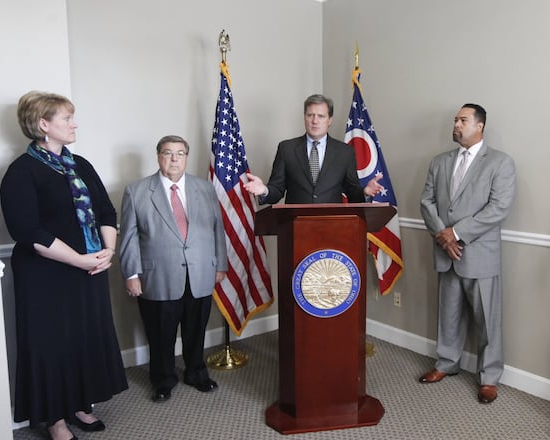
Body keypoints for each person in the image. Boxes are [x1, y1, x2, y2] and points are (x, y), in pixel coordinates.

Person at [0, 91, 128, 440]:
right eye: (67, 118)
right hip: (46, 276)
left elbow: (105, 211)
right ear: (43, 125)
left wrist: (108, 252)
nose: (74, 124)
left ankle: (80, 404)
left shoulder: (81, 165)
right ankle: (55, 419)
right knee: (52, 344)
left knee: (84, 339)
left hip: (89, 269)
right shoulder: (21, 171)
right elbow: (28, 231)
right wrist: (79, 258)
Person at [419, 103, 517, 404]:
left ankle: (489, 377)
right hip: (446, 251)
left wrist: (457, 233)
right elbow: (427, 201)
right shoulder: (439, 161)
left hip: (479, 253)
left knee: (487, 320)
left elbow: (498, 208)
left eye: (463, 120)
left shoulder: (500, 162)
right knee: (448, 314)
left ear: (480, 126)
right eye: (455, 120)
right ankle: (446, 363)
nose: (456, 124)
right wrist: (443, 235)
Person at [119, 135, 228, 403]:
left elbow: (217, 229)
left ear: (186, 158)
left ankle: (196, 373)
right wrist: (131, 274)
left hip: (200, 273)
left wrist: (220, 264)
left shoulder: (205, 188)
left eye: (180, 153)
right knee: (160, 335)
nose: (174, 159)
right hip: (158, 277)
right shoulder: (137, 191)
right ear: (158, 156)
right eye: (168, 153)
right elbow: (129, 237)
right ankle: (163, 380)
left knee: (196, 330)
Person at [243, 94, 383, 203]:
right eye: (310, 115)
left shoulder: (344, 152)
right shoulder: (286, 149)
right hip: (295, 228)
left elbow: (353, 193)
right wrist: (264, 190)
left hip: (333, 228)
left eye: (321, 116)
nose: (315, 121)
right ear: (305, 117)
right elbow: (277, 189)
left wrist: (365, 192)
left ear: (330, 120)